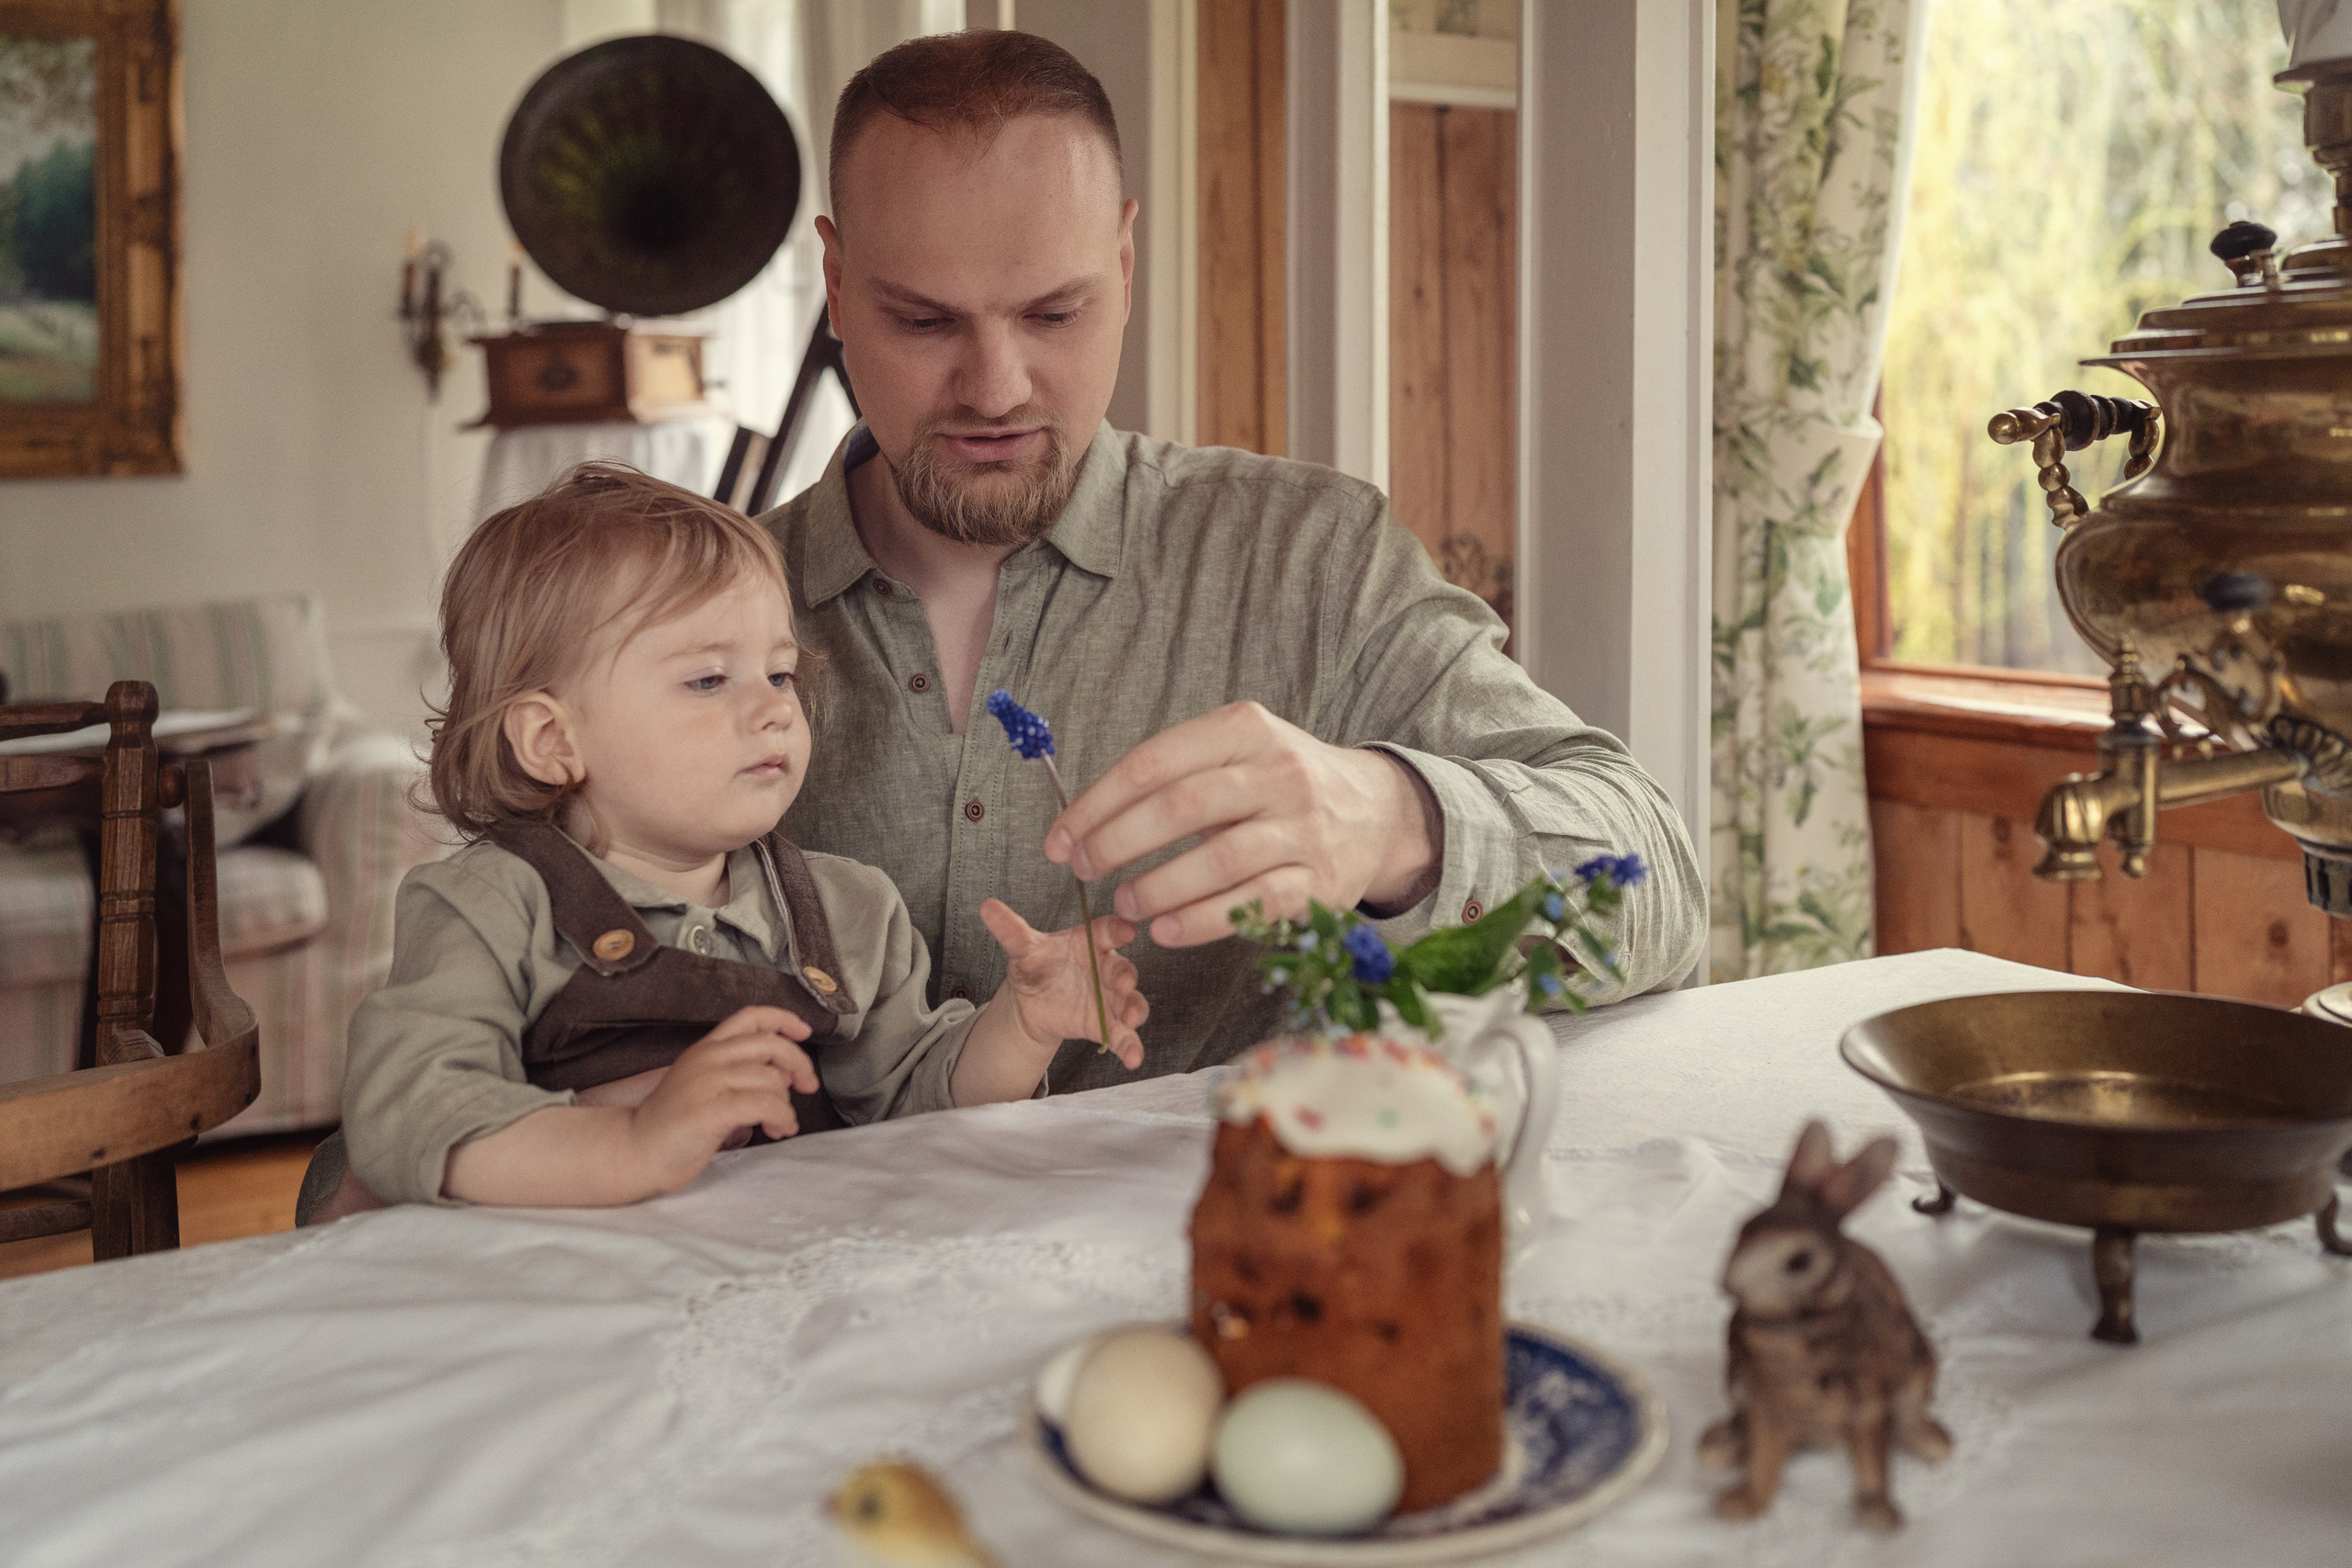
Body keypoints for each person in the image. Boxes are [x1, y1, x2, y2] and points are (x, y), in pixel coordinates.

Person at [763, 29, 1707, 1098]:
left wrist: (1394, 822)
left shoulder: (1312, 559)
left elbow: (1658, 889)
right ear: (836, 285)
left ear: (1123, 266)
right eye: (925, 320)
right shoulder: (680, 611)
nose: (994, 387)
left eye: (1053, 313)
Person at [300, 466, 1145, 1219]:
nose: (776, 706)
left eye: (780, 672)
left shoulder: (847, 909)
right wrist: (632, 1142)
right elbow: (407, 1115)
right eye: (709, 678)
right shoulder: (491, 904)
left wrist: (1020, 1024)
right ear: (553, 740)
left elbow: (918, 1102)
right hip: (569, 1311)